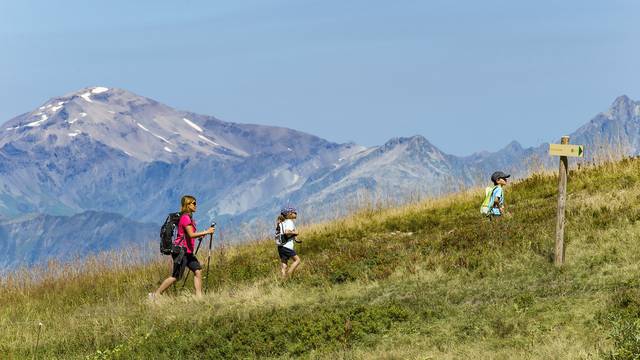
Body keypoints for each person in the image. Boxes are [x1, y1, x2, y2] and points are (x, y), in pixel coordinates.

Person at [151, 195, 214, 298]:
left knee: (197, 271)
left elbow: (189, 235)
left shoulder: (189, 218)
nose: (196, 205)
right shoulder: (185, 218)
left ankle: (199, 298)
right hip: (181, 252)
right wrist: (207, 231)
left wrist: (202, 234)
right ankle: (155, 295)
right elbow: (191, 234)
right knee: (176, 277)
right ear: (187, 205)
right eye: (193, 203)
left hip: (187, 252)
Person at [275, 207, 301, 278]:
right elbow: (287, 232)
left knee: (284, 264)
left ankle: (283, 280)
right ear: (289, 214)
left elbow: (286, 234)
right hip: (286, 247)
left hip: (280, 247)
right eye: (294, 212)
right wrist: (295, 232)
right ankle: (289, 275)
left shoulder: (282, 223)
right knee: (297, 260)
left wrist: (295, 238)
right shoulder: (289, 222)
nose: (296, 213)